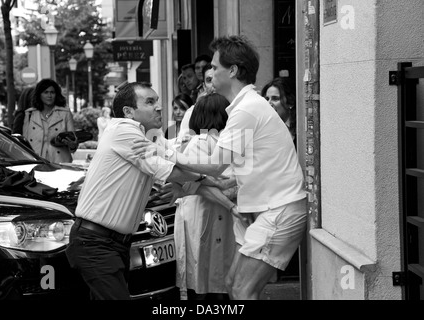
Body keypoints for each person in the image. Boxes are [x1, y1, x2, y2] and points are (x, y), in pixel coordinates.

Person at [131, 35, 307, 300]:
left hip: (279, 211)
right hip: (268, 212)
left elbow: (214, 167)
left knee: (240, 290)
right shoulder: (244, 107)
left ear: (233, 70)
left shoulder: (247, 108)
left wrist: (162, 150)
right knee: (232, 285)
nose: (209, 72)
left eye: (214, 66)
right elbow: (229, 178)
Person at [65, 82, 240, 300]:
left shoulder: (150, 136)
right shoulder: (123, 130)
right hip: (94, 242)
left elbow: (172, 153)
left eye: (157, 101)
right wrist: (213, 180)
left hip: (114, 244)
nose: (159, 107)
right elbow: (173, 170)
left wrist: (183, 150)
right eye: (149, 102)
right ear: (128, 112)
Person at [174, 93, 236, 300]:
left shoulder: (205, 141)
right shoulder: (209, 141)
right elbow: (198, 181)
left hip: (204, 213)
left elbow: (200, 181)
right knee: (213, 275)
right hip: (208, 212)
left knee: (205, 276)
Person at [23, 78, 78, 164]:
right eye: (46, 92)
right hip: (36, 162)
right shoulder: (30, 114)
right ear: (39, 95)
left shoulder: (65, 113)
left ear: (56, 94)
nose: (49, 96)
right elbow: (24, 142)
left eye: (52, 92)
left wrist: (73, 145)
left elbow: (73, 140)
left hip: (59, 162)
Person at [261, 77, 297, 143]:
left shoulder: (301, 130)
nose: (269, 103)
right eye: (267, 99)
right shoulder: (263, 131)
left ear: (290, 102)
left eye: (275, 99)